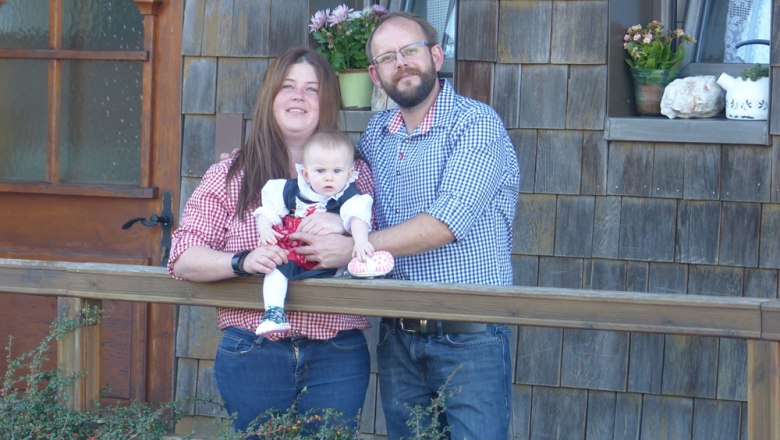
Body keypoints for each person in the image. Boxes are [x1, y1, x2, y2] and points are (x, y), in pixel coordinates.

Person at [291, 12, 520, 440]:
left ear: (435, 55)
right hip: (398, 334)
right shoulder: (378, 133)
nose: (402, 63)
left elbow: (445, 223)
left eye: (410, 50)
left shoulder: (475, 124)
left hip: (469, 333)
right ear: (376, 77)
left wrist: (353, 247)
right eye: (387, 58)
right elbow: (339, 191)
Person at [167, 47, 372, 434]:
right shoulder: (231, 174)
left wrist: (342, 229)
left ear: (326, 102)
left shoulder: (356, 172)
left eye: (312, 89)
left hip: (337, 351)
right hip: (252, 351)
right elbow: (182, 256)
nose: (299, 96)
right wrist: (242, 261)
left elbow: (371, 239)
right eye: (288, 86)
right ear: (270, 97)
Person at [253, 129, 392, 336]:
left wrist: (360, 242)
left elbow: (357, 218)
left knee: (344, 273)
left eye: (337, 171)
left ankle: (359, 267)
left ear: (350, 172)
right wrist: (264, 229)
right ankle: (274, 313)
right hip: (295, 254)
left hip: (330, 262)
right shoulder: (293, 190)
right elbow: (268, 210)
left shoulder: (348, 194)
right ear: (305, 173)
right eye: (320, 171)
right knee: (275, 271)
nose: (329, 178)